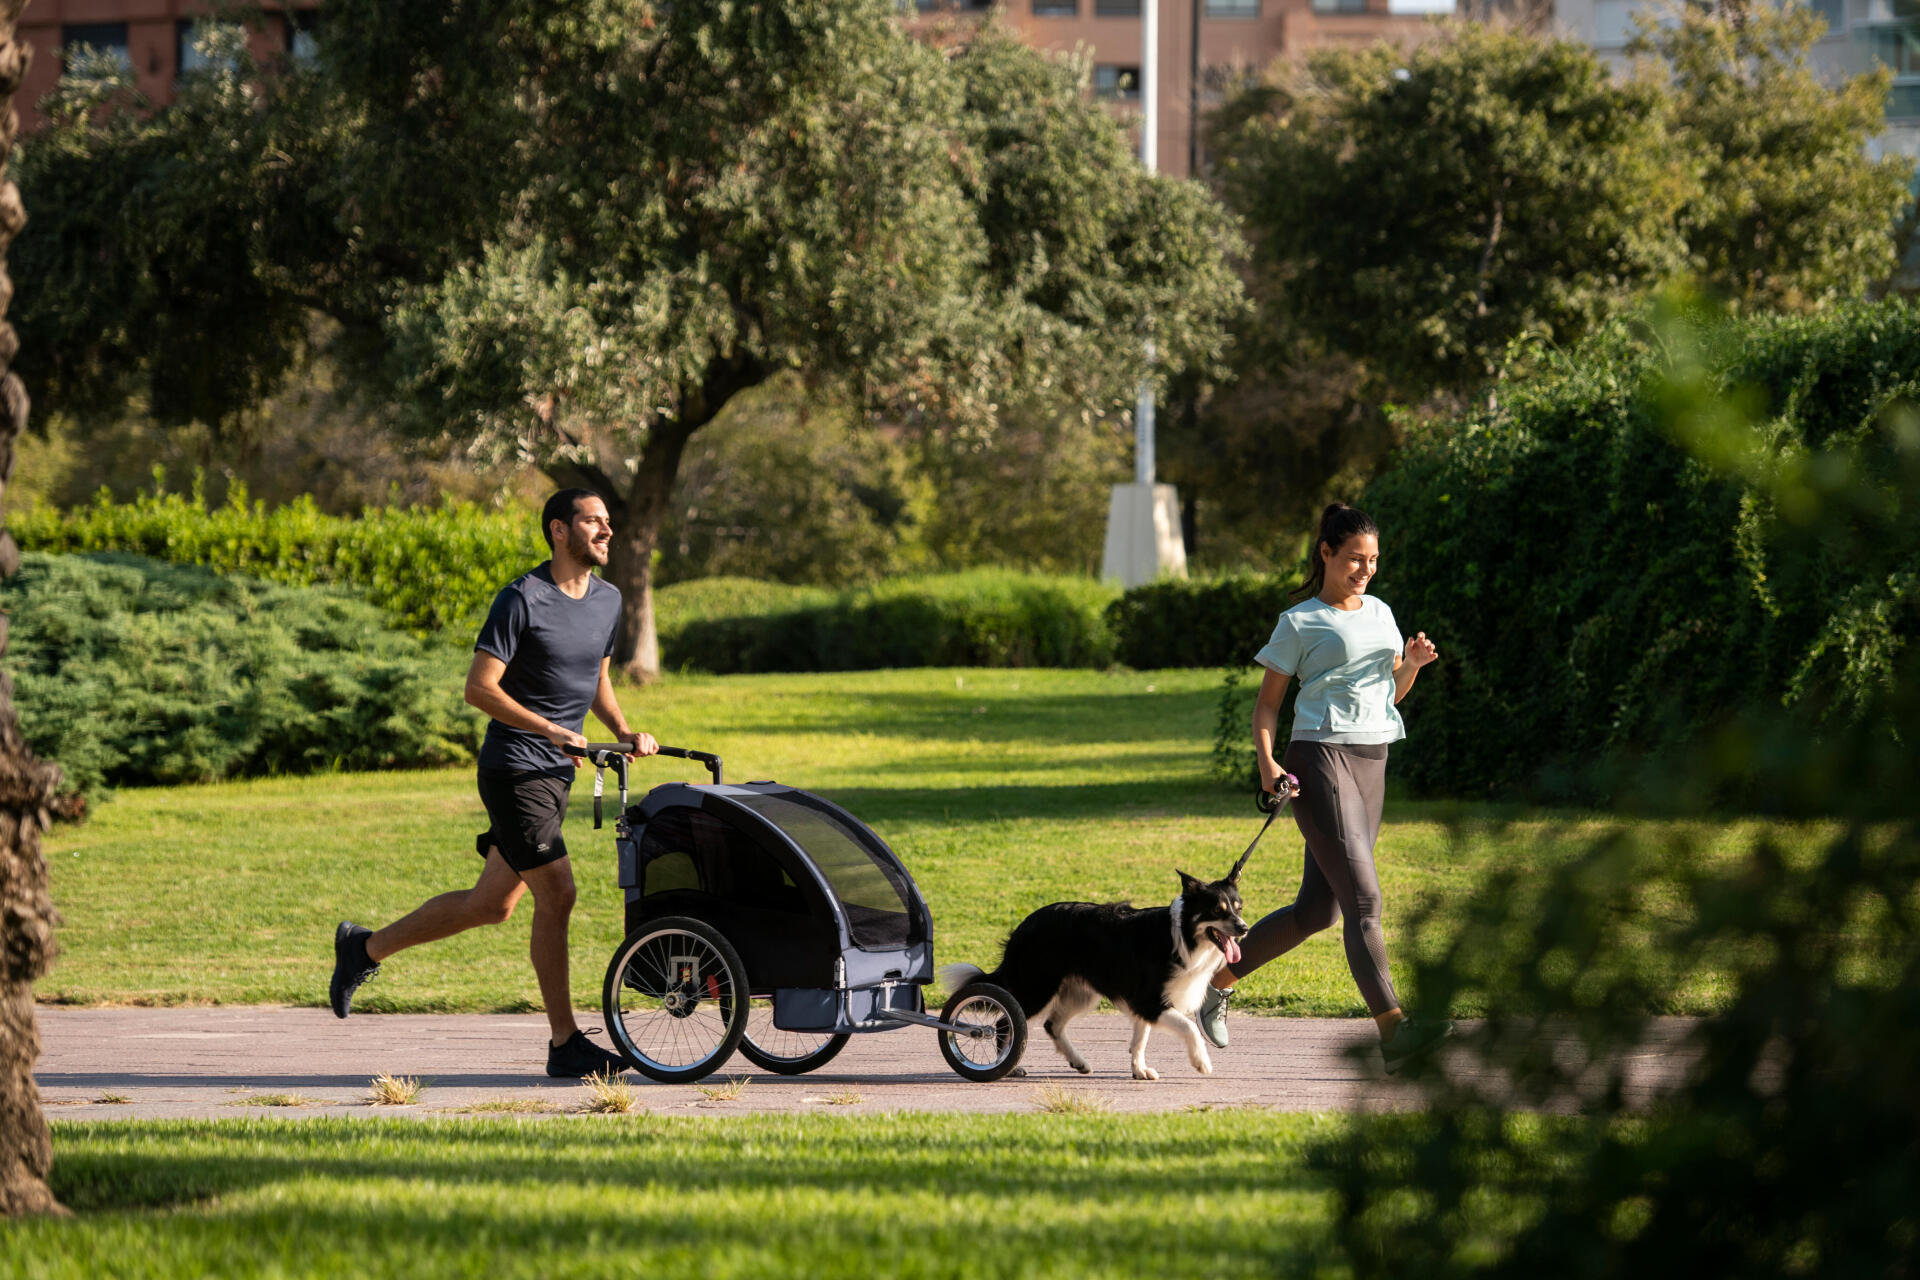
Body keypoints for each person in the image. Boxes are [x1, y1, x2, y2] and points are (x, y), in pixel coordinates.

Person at [328, 489, 659, 1078]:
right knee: (557, 893)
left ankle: (364, 948)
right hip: (514, 768)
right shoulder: (522, 599)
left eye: (609, 521)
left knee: (492, 905)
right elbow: (479, 689)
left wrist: (625, 730)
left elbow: (595, 679)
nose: (607, 530)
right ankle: (565, 1045)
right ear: (560, 531)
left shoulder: (608, 600)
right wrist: (552, 730)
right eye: (593, 521)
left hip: (556, 771)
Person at [1197, 502, 1452, 1074]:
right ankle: (1395, 1031)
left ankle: (1213, 983)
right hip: (1318, 758)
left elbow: (1386, 696)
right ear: (1327, 554)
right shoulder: (1299, 622)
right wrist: (1267, 766)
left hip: (1373, 759)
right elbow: (1267, 706)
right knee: (1365, 901)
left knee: (1318, 911)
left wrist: (1408, 665)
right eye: (1355, 559)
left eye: (1374, 560)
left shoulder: (1381, 613)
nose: (1365, 569)